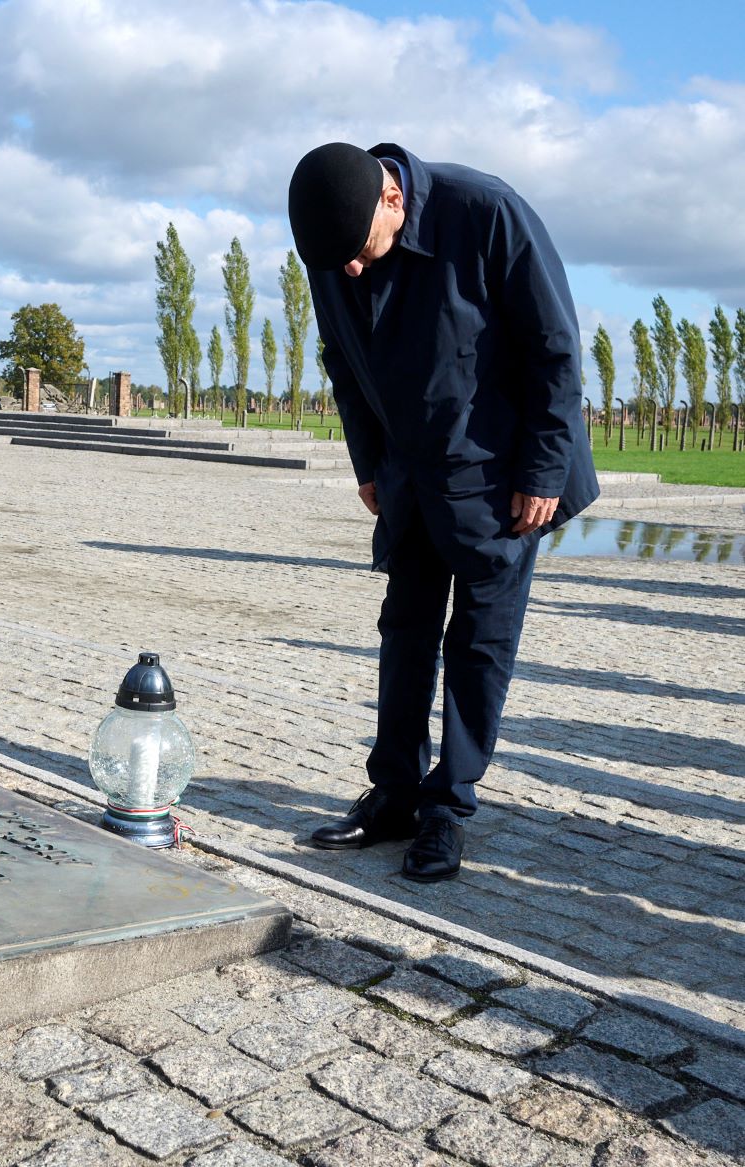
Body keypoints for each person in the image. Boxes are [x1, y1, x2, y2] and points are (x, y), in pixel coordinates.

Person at [288, 141, 598, 883]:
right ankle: (393, 793)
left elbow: (556, 350)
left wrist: (543, 472)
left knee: (479, 644)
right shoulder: (333, 242)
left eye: (361, 253)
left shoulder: (487, 212)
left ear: (392, 200)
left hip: (502, 476)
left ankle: (447, 808)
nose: (352, 272)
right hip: (408, 472)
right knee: (405, 629)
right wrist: (368, 464)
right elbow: (340, 358)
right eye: (340, 264)